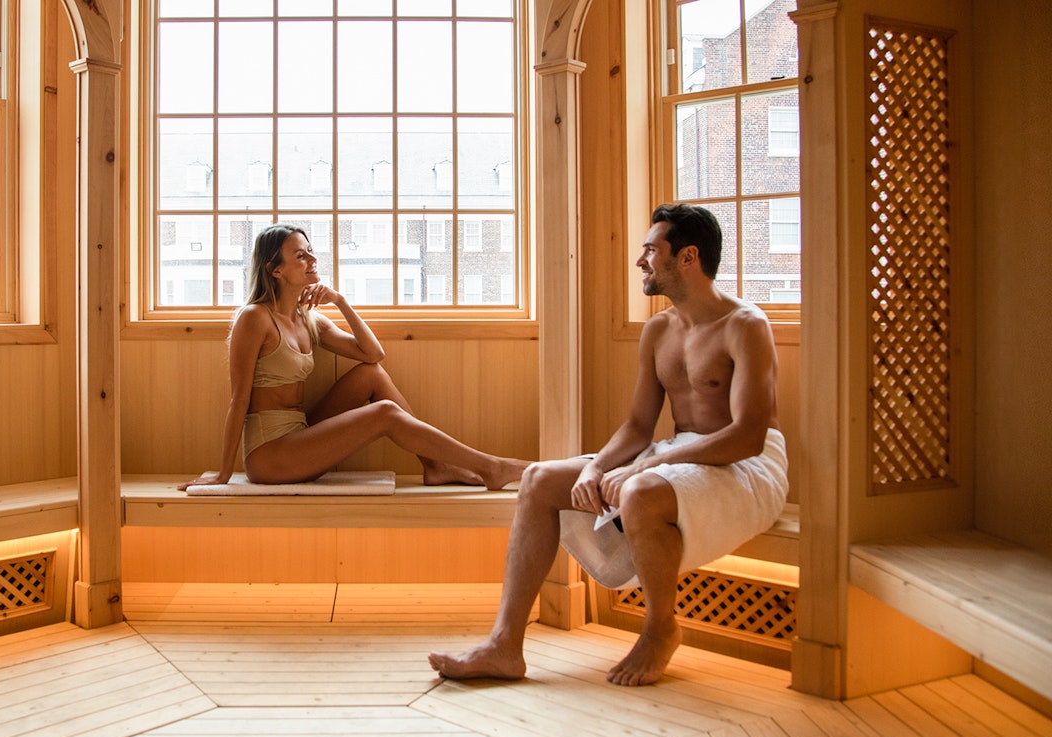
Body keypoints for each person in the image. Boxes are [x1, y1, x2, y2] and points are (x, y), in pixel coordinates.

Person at [428, 203, 788, 686]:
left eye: (650, 250)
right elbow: (639, 427)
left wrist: (641, 470)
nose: (641, 261)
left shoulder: (745, 326)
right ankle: (503, 646)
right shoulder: (659, 330)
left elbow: (748, 436)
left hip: (749, 466)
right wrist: (596, 468)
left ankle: (661, 630)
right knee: (538, 479)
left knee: (640, 491)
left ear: (688, 257)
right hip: (680, 452)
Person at [179, 223, 528, 493]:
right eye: (300, 255)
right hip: (269, 456)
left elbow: (373, 354)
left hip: (300, 434)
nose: (313, 260)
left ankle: (435, 465)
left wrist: (341, 302)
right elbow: (238, 398)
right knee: (385, 414)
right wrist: (224, 473)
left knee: (370, 375)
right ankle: (491, 467)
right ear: (276, 270)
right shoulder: (254, 318)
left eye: (311, 251)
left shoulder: (309, 320)